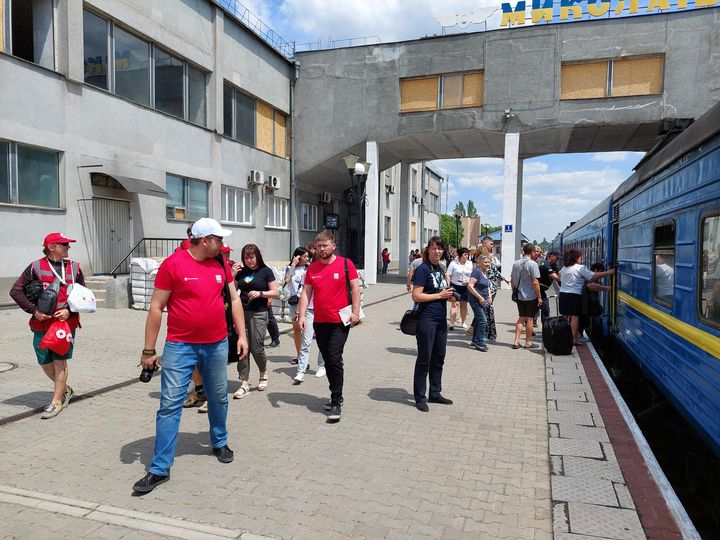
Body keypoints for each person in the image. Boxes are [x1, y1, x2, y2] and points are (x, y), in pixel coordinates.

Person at [133, 218, 248, 493]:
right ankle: (160, 468)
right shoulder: (173, 265)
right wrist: (149, 350)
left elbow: (233, 300)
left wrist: (242, 335)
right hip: (180, 346)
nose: (222, 244)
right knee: (170, 404)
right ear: (204, 240)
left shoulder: (220, 263)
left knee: (219, 396)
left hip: (217, 344)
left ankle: (219, 441)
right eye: (218, 239)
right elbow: (156, 307)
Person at [9, 233, 85, 419]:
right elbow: (16, 291)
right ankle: (66, 389)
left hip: (64, 324)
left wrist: (70, 310)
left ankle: (56, 401)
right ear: (52, 247)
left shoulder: (74, 268)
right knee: (44, 361)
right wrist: (33, 311)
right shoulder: (35, 267)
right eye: (64, 244)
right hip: (41, 323)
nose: (68, 247)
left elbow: (83, 296)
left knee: (60, 360)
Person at [297, 231, 361, 422]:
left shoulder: (345, 264)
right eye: (319, 246)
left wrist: (356, 312)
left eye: (325, 245)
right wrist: (301, 316)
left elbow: (355, 288)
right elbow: (306, 294)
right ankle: (336, 394)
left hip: (341, 321)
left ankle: (336, 400)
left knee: (334, 357)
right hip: (320, 321)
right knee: (328, 358)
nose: (322, 249)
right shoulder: (313, 269)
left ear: (333, 246)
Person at [411, 236, 455, 412]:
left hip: (440, 320)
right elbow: (416, 295)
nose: (437, 251)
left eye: (440, 248)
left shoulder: (440, 268)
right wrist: (439, 296)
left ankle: (435, 393)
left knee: (439, 357)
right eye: (433, 248)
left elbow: (442, 290)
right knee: (424, 358)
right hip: (426, 319)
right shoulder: (422, 269)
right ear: (428, 250)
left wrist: (450, 295)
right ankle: (420, 397)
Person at [234, 244, 279, 398]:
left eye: (252, 257)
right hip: (241, 313)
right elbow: (232, 291)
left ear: (257, 256)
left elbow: (276, 292)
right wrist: (233, 275)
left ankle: (263, 373)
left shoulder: (265, 271)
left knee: (257, 347)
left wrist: (261, 293)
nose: (249, 260)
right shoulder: (241, 272)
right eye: (246, 257)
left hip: (259, 313)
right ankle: (244, 382)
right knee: (242, 347)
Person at [559, 249, 615, 346]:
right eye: (580, 257)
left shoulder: (564, 268)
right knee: (574, 317)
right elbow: (593, 276)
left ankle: (563, 336)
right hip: (574, 295)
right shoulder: (580, 268)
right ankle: (574, 339)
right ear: (576, 258)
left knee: (564, 316)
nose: (581, 259)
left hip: (563, 294)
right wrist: (609, 272)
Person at [510, 243, 542, 350]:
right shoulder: (533, 264)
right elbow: (535, 282)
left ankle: (516, 341)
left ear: (523, 251)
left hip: (519, 295)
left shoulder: (515, 263)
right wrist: (539, 297)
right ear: (532, 252)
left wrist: (514, 291)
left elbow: (512, 280)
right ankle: (528, 342)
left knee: (521, 317)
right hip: (530, 296)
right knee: (529, 319)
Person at [468, 254, 492, 352]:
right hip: (475, 300)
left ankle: (474, 340)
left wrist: (489, 296)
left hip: (483, 300)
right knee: (483, 321)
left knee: (478, 320)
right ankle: (479, 342)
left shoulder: (485, 272)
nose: (487, 264)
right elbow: (470, 286)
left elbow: (487, 286)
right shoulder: (477, 272)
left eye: (489, 262)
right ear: (480, 262)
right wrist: (480, 297)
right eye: (485, 262)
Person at [446, 248, 473, 330]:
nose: (467, 256)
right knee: (455, 305)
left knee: (464, 306)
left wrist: (470, 283)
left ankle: (463, 322)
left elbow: (472, 275)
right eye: (465, 254)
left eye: (467, 254)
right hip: (455, 286)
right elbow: (448, 275)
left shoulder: (470, 263)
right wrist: (448, 285)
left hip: (466, 287)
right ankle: (451, 323)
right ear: (460, 255)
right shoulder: (453, 263)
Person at [537, 250, 561, 325]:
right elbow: (555, 277)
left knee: (545, 308)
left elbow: (559, 275)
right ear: (551, 256)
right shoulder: (544, 264)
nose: (558, 259)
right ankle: (529, 323)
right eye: (557, 257)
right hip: (536, 289)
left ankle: (545, 326)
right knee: (535, 309)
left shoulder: (554, 266)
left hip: (542, 290)